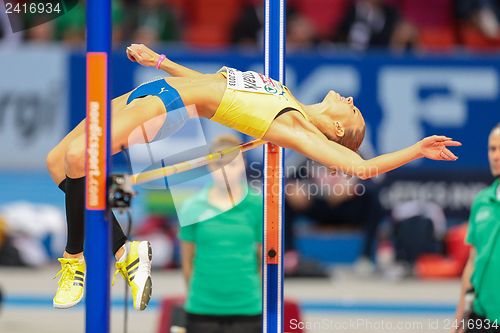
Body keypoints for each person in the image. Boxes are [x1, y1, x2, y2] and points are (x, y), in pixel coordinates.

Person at [46, 42, 460, 310]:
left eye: (352, 110)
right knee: (57, 162)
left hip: (167, 105)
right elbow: (216, 85)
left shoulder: (292, 124)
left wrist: (415, 150)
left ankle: (74, 260)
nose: (350, 99)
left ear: (336, 131)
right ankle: (124, 252)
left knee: (83, 161)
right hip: (157, 87)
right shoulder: (285, 93)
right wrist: (160, 61)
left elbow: (361, 167)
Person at [179, 134, 262, 333]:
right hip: (201, 308)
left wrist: (249, 292)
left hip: (247, 308)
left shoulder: (258, 206)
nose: (225, 171)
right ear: (209, 166)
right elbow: (187, 262)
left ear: (243, 164)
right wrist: (201, 295)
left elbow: (263, 260)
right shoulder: (191, 207)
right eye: (219, 165)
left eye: (231, 164)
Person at [453, 124, 500, 333]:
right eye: (492, 149)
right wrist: (460, 320)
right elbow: (473, 262)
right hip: (480, 317)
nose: (496, 156)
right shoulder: (482, 201)